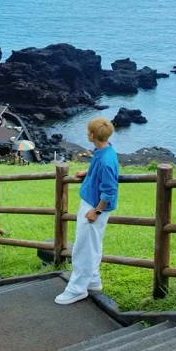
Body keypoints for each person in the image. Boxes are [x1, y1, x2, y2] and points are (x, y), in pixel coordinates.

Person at [55, 116, 119, 305]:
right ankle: (92, 281)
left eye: (88, 131)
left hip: (95, 206)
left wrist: (97, 211)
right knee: (92, 245)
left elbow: (109, 189)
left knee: (83, 248)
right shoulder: (104, 151)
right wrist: (89, 172)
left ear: (92, 135)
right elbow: (102, 173)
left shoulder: (106, 160)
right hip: (92, 202)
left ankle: (76, 289)